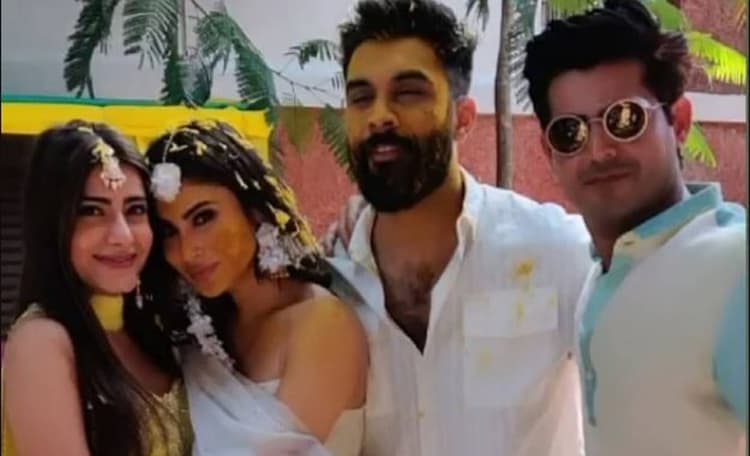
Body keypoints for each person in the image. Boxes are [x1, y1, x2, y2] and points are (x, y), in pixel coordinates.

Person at [326, 0, 594, 454]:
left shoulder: (556, 250)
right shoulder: (329, 285)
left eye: (408, 93)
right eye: (361, 97)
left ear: (464, 119)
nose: (379, 115)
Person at [523, 1, 747, 454]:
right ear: (549, 153)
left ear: (679, 122)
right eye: (570, 132)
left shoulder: (733, 266)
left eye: (625, 119)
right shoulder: (601, 273)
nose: (599, 151)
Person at [144, 120, 368, 456]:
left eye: (203, 218)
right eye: (168, 232)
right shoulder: (201, 335)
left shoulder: (322, 321)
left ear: (255, 212)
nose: (187, 251)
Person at [1, 120, 192, 456]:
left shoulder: (154, 328)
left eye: (135, 210)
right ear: (53, 224)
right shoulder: (42, 342)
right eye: (91, 211)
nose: (122, 236)